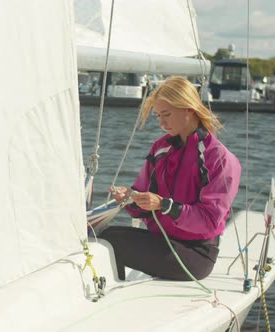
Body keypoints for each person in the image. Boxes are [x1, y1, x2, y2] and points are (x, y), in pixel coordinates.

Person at [99, 76, 242, 281]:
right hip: (162, 242)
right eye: (158, 116)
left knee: (112, 240)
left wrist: (164, 205)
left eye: (166, 114)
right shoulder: (161, 148)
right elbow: (142, 196)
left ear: (189, 109)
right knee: (103, 234)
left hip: (196, 255)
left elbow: (210, 220)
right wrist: (129, 198)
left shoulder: (218, 158)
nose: (162, 122)